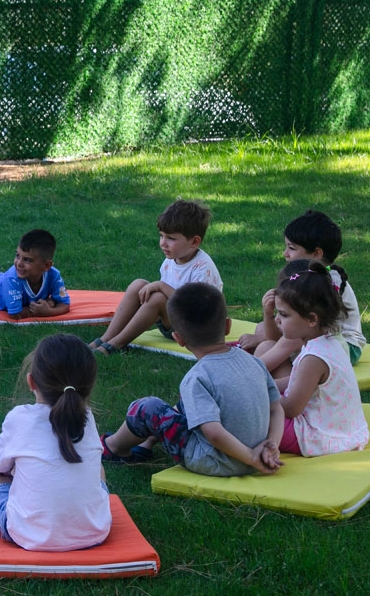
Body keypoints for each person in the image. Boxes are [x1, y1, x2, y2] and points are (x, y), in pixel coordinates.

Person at [102, 283, 284, 476]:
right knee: (187, 404)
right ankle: (147, 442)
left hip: (217, 461)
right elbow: (276, 408)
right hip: (259, 454)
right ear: (228, 326)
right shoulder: (254, 362)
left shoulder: (197, 377)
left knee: (147, 408)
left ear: (178, 339)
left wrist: (250, 458)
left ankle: (113, 447)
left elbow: (213, 432)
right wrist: (271, 447)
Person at [0, 334, 111, 552]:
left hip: (30, 535)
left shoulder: (20, 417)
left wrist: (3, 467)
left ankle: (3, 514)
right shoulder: (88, 418)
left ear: (31, 381)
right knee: (99, 470)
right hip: (94, 531)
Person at [89, 199, 221, 355]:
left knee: (158, 298)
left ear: (194, 241)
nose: (163, 243)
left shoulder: (203, 268)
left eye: (171, 238)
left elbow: (193, 307)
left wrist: (161, 286)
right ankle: (106, 337)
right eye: (161, 236)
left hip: (196, 330)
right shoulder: (171, 260)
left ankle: (115, 344)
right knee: (139, 284)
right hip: (174, 323)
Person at [239, 210, 365, 365]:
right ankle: (266, 373)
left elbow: (302, 328)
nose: (285, 253)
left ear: (316, 253)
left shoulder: (321, 282)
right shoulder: (305, 276)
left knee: (287, 340)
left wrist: (268, 340)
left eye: (292, 248)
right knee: (263, 332)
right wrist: (268, 313)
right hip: (315, 333)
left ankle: (251, 372)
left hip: (345, 346)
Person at [271, 262, 370, 457]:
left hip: (319, 437)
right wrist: (269, 385)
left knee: (249, 415)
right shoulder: (330, 341)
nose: (277, 320)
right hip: (344, 431)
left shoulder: (314, 358)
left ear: (312, 319)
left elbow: (291, 409)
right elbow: (297, 382)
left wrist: (256, 398)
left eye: (283, 314)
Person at [239, 258, 311, 377]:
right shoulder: (308, 325)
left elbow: (258, 369)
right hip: (298, 376)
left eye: (283, 314)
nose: (277, 319)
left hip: (298, 386)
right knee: (262, 330)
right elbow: (273, 338)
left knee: (265, 346)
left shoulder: (299, 336)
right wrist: (268, 314)